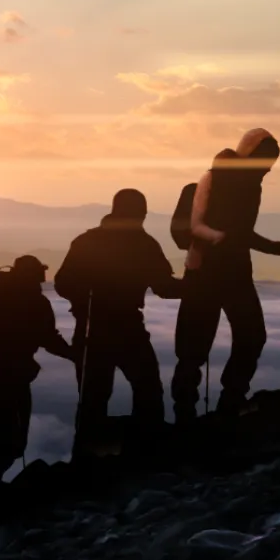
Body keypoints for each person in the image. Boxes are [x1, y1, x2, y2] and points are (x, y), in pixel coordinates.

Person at [170, 129, 280, 423]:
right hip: (222, 275)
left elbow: (239, 235)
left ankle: (191, 416)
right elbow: (241, 236)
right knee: (243, 339)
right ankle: (224, 407)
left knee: (196, 349)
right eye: (265, 162)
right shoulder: (223, 189)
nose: (268, 169)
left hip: (208, 275)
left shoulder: (242, 188)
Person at [54, 189, 182, 459]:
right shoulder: (144, 244)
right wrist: (198, 287)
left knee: (93, 396)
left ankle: (86, 459)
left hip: (92, 326)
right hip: (123, 326)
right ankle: (147, 450)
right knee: (146, 388)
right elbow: (165, 286)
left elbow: (62, 283)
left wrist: (86, 295)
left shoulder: (87, 242)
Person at [0, 255, 73, 496]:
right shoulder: (33, 301)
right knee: (12, 435)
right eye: (41, 274)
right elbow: (48, 338)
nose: (43, 279)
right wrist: (76, 355)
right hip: (11, 375)